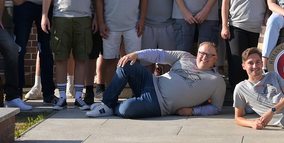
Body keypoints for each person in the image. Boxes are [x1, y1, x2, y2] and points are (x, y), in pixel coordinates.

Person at [85, 42, 226, 119]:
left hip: (159, 104)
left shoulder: (217, 81)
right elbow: (159, 54)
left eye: (209, 55)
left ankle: (113, 108)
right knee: (127, 64)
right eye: (201, 53)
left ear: (215, 58)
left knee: (126, 109)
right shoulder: (185, 57)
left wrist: (194, 111)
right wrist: (135, 54)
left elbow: (216, 108)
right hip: (152, 81)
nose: (204, 57)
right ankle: (106, 104)